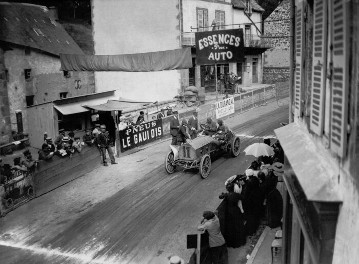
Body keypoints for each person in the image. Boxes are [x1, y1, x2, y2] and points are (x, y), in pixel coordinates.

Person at [219, 182, 246, 248]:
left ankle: (231, 242)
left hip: (229, 212)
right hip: (236, 211)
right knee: (238, 226)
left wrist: (224, 194)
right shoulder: (236, 195)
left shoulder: (227, 195)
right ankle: (240, 241)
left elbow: (220, 196)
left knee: (231, 227)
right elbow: (243, 198)